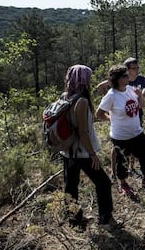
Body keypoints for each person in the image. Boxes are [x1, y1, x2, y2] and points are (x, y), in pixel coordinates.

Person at [61, 64, 113, 226]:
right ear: (84, 79)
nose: (90, 80)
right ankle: (105, 217)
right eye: (88, 77)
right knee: (103, 182)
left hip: (67, 151)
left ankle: (74, 220)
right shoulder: (82, 101)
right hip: (82, 152)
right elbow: (82, 132)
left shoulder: (65, 96)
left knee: (71, 186)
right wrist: (93, 155)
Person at [96, 65, 145, 196]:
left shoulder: (129, 89)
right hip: (120, 136)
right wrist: (110, 119)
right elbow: (99, 113)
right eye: (125, 75)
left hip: (137, 132)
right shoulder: (111, 95)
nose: (128, 77)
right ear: (117, 79)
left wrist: (140, 96)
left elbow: (141, 106)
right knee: (122, 161)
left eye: (127, 74)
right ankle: (123, 183)